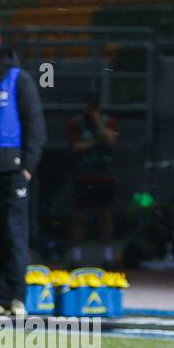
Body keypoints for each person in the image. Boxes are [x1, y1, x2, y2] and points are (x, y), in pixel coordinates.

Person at [0, 17, 45, 317]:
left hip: (11, 171)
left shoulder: (18, 79)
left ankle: (14, 297)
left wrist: (26, 169)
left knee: (13, 234)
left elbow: (35, 129)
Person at [67, 99, 118, 264]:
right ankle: (76, 256)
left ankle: (107, 256)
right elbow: (76, 147)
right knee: (79, 217)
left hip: (104, 176)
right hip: (83, 177)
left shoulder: (108, 121)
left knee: (105, 217)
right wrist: (96, 142)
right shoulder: (76, 123)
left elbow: (110, 141)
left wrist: (98, 123)